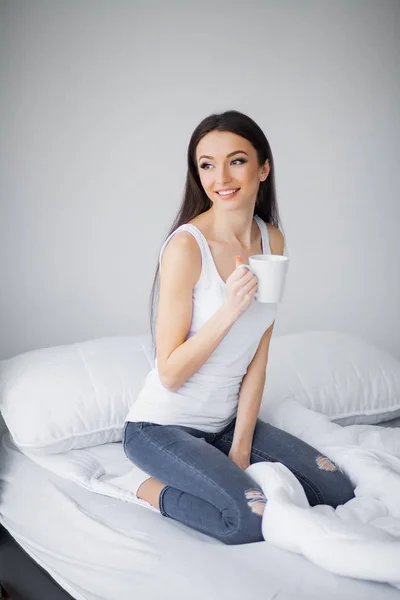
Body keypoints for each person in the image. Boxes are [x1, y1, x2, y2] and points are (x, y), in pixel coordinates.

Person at [123, 110, 355, 545]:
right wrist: (229, 309)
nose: (221, 177)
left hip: (226, 423)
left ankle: (215, 463)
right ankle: (146, 489)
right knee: (249, 520)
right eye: (207, 165)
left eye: (236, 160)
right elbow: (170, 374)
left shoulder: (272, 241)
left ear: (263, 168)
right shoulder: (185, 248)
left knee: (337, 490)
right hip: (160, 427)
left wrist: (242, 447)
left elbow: (258, 354)